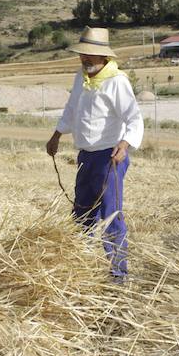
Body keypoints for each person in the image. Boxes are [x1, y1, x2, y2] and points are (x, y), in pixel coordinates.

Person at [46, 27, 144, 282]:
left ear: (104, 57)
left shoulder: (117, 81)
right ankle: (82, 263)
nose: (85, 59)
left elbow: (133, 118)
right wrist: (57, 134)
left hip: (109, 157)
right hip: (86, 157)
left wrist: (125, 144)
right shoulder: (81, 78)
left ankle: (118, 273)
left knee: (111, 213)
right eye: (82, 54)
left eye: (90, 55)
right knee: (82, 210)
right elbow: (71, 109)